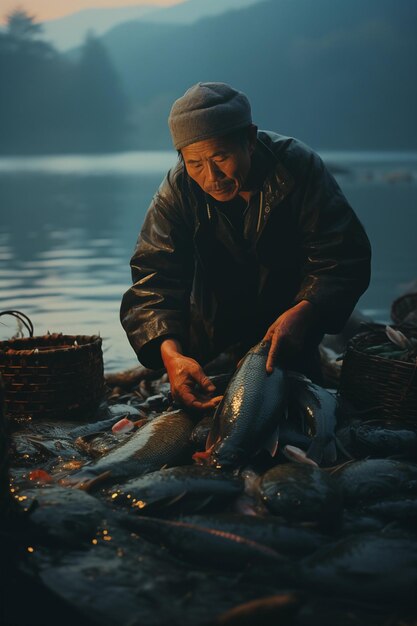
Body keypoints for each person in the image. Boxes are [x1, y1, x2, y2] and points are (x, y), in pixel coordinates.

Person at [120, 82, 371, 411]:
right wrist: (171, 356)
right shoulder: (177, 190)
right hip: (208, 337)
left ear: (249, 139)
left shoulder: (298, 167)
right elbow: (153, 279)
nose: (211, 177)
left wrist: (305, 313)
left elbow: (341, 255)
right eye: (195, 164)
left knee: (299, 411)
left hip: (288, 335)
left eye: (220, 157)